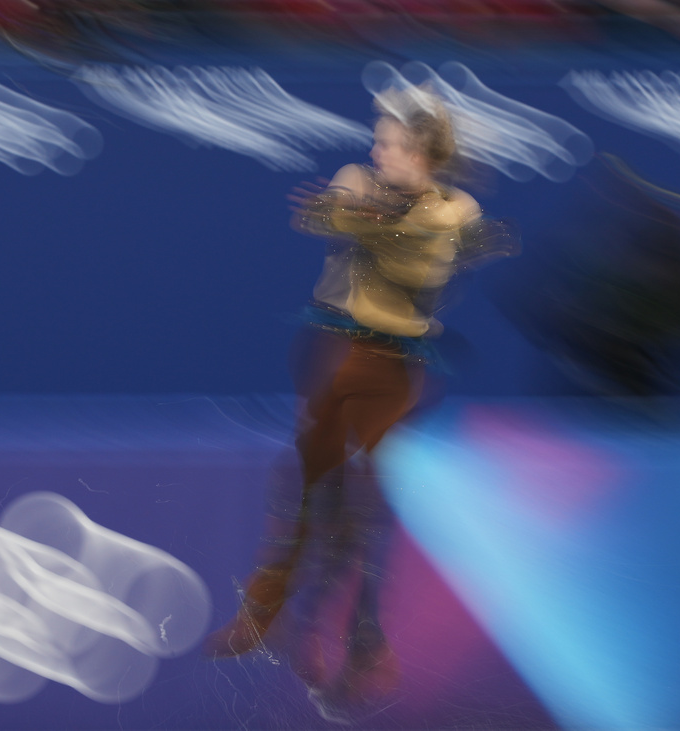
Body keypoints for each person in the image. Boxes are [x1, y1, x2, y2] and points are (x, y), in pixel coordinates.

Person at [204, 86, 491, 713]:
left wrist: (374, 224)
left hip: (394, 367)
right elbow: (322, 215)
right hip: (332, 349)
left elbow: (420, 265)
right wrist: (364, 218)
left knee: (361, 503)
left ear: (420, 152)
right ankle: (270, 617)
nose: (373, 150)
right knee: (307, 487)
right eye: (377, 140)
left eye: (387, 142)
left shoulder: (455, 207)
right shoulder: (358, 177)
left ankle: (359, 642)